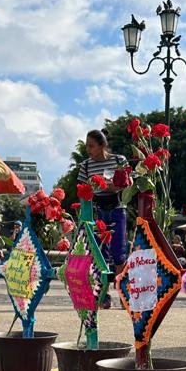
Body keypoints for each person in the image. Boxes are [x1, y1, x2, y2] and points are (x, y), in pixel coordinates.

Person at [77, 129, 128, 306]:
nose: (88, 150)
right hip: (97, 208)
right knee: (99, 253)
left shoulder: (118, 160)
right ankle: (103, 296)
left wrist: (115, 187)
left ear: (102, 145)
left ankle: (123, 296)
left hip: (116, 207)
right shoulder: (85, 165)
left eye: (91, 146)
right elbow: (81, 190)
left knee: (119, 253)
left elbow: (127, 184)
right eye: (87, 146)